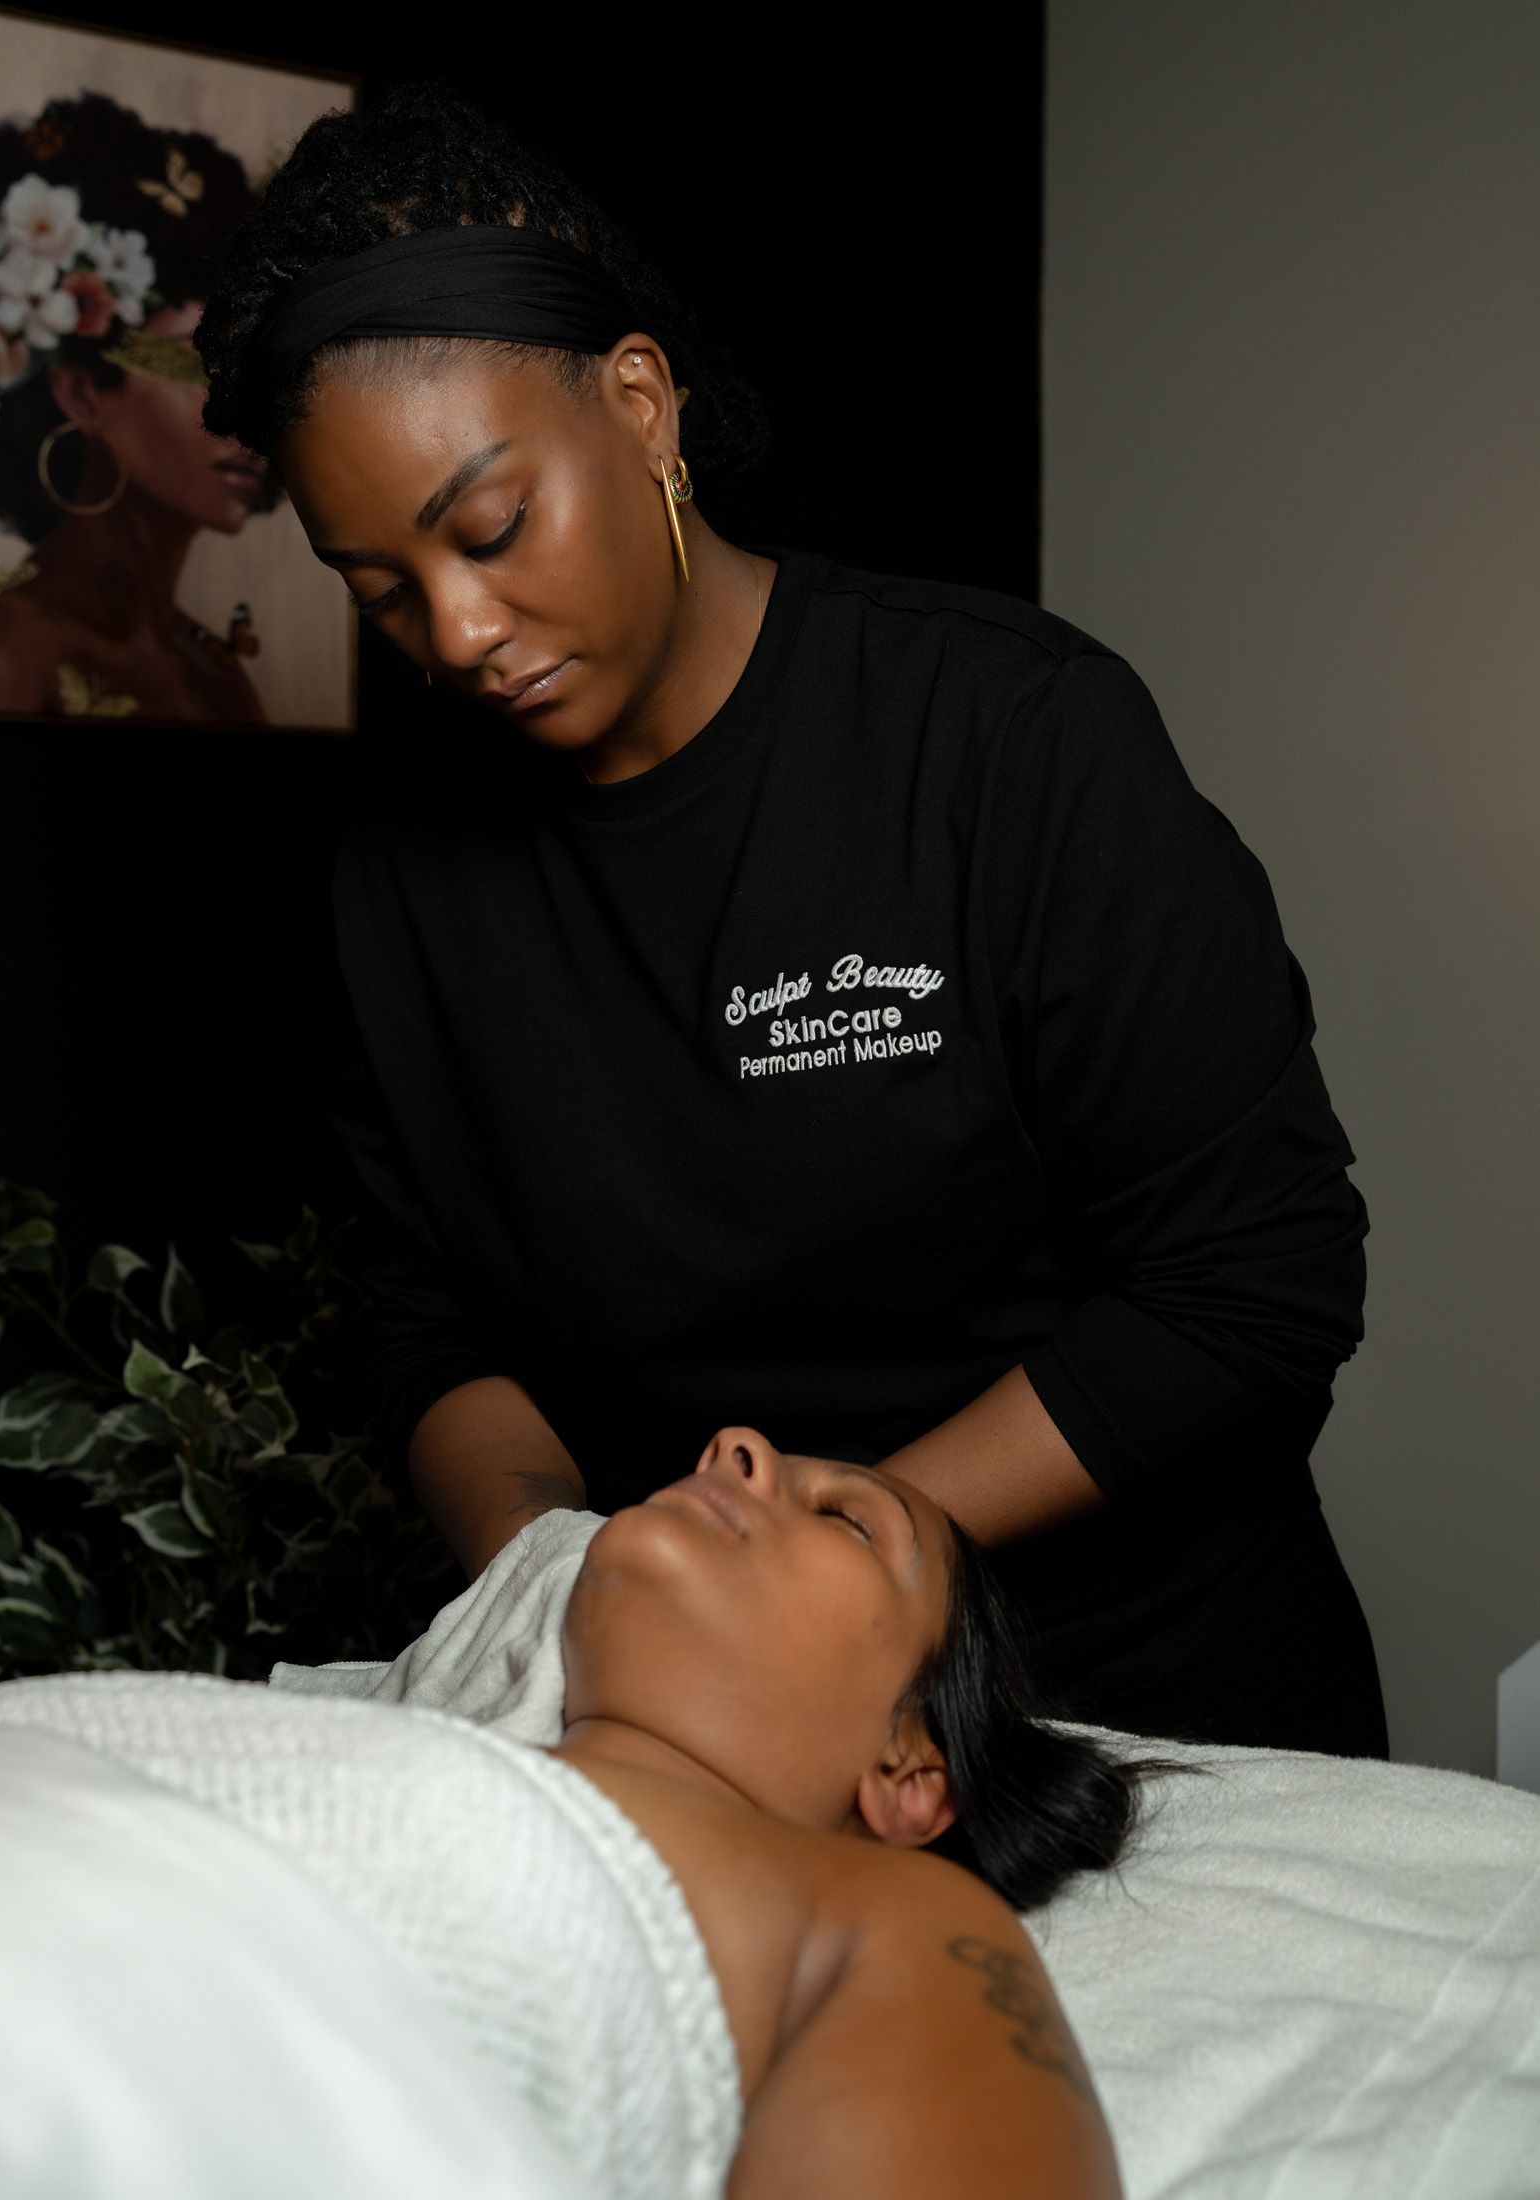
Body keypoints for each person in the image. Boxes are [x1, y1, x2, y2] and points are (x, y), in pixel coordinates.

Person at [193, 79, 1389, 1760]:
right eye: (376, 585)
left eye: (489, 528)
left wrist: (814, 1575)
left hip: (1139, 1708)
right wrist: (561, 1579)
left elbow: (1246, 1286)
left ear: (639, 403)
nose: (453, 631)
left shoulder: (1007, 736)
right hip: (729, 1731)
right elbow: (428, 1317)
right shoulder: (407, 870)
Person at [0, 1431, 1200, 2195]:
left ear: (908, 1766)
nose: (732, 1448)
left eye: (845, 1520)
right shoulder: (388, 1758)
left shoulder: (895, 1913)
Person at [0, 91, 279, 722]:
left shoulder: (213, 675)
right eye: (197, 368)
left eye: (261, 378)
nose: (244, 415)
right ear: (81, 391)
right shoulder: (2, 653)